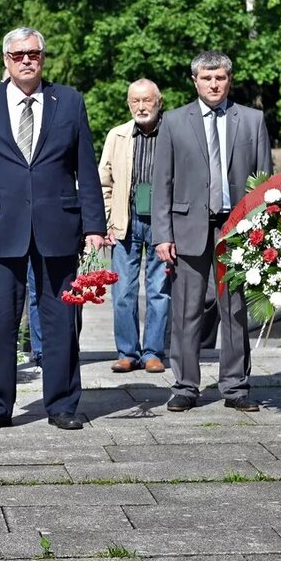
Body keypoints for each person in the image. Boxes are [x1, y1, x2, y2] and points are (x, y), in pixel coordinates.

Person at [0, 26, 106, 432]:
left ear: (42, 57)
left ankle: (62, 404)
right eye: (18, 54)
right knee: (1, 319)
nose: (26, 60)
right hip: (0, 227)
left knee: (60, 319)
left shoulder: (69, 102)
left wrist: (94, 225)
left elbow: (85, 168)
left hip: (58, 225)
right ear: (6, 59)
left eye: (33, 53)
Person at [152, 51, 272, 413]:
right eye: (207, 78)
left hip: (237, 228)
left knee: (234, 309)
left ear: (229, 79)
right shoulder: (173, 121)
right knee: (187, 310)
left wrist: (263, 230)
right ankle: (186, 385)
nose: (214, 84)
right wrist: (162, 234)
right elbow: (162, 182)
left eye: (219, 77)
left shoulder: (252, 120)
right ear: (195, 81)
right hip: (187, 227)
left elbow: (265, 181)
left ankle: (235, 386)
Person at [99, 78, 170, 374]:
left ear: (159, 101)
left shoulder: (173, 132)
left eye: (147, 100)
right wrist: (106, 220)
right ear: (129, 104)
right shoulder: (117, 135)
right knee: (123, 291)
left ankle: (153, 351)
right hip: (124, 222)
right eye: (135, 101)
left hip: (161, 222)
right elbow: (104, 181)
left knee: (159, 289)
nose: (141, 106)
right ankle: (127, 351)